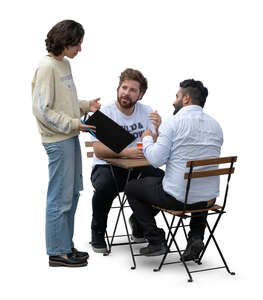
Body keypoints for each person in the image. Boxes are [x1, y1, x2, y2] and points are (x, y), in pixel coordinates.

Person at [125, 79, 223, 260]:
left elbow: (155, 160)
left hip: (177, 198)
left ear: (186, 99)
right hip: (207, 199)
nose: (174, 101)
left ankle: (156, 240)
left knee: (132, 187)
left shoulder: (174, 123)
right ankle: (196, 237)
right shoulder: (216, 126)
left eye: (176, 96)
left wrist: (147, 138)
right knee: (197, 189)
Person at [32, 20, 101, 267]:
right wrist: (74, 123)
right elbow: (42, 110)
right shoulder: (47, 67)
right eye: (77, 43)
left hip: (69, 136)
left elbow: (63, 101)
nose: (80, 49)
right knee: (60, 196)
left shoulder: (64, 64)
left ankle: (65, 245)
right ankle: (57, 252)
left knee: (72, 193)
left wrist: (84, 106)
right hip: (58, 140)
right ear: (65, 41)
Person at [90, 68, 164, 253]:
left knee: (166, 183)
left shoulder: (146, 111)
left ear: (141, 94)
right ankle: (98, 231)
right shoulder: (105, 112)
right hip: (107, 167)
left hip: (138, 167)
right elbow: (98, 149)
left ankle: (139, 222)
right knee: (105, 187)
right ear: (118, 88)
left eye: (132, 90)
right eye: (124, 87)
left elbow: (154, 143)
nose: (126, 93)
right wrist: (125, 152)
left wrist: (158, 129)